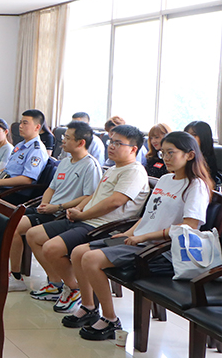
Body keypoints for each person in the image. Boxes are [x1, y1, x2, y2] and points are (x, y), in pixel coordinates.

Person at [63, 131, 212, 340]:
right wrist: (127, 233)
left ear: (189, 155)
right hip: (139, 241)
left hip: (161, 250)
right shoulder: (165, 179)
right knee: (78, 252)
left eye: (171, 153)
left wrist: (143, 238)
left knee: (90, 258)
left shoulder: (196, 185)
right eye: (163, 153)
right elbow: (148, 215)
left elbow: (189, 227)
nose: (166, 158)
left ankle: (110, 320)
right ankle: (88, 307)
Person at [26, 125, 150, 314]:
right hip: (84, 219)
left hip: (101, 226)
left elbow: (115, 202)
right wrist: (78, 208)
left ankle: (74, 288)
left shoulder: (134, 171)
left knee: (51, 248)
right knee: (33, 235)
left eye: (118, 143)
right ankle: (58, 284)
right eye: (111, 141)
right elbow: (94, 196)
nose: (111, 146)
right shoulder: (113, 169)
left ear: (133, 149)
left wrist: (82, 214)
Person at [7, 121, 102, 292]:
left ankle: (54, 282)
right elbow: (51, 188)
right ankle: (20, 276)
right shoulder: (64, 162)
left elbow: (89, 197)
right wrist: (45, 203)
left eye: (67, 138)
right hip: (50, 209)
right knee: (11, 221)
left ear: (81, 142)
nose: (62, 140)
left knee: (19, 228)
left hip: (63, 213)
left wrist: (57, 207)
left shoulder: (90, 165)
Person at [0, 109, 50, 205]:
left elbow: (27, 179)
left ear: (37, 127)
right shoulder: (20, 145)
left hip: (15, 192)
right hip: (3, 186)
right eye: (21, 122)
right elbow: (8, 168)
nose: (20, 126)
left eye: (25, 123)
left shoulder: (37, 150)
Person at [185, 120, 221, 186]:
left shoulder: (207, 160)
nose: (189, 137)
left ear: (203, 137)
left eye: (194, 134)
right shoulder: (180, 154)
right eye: (187, 134)